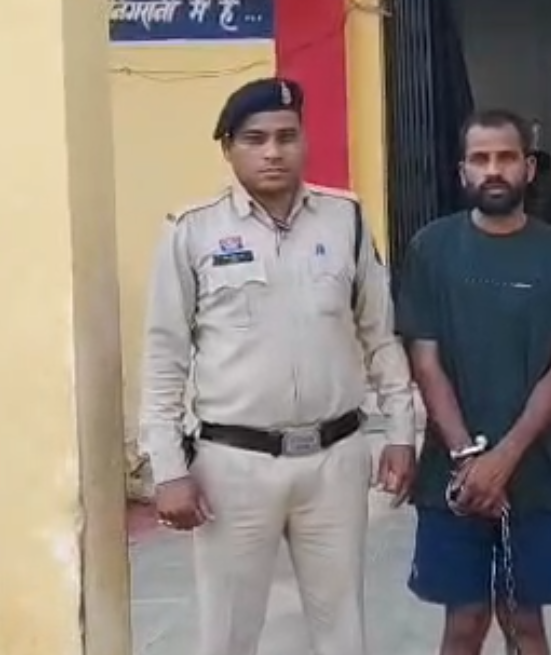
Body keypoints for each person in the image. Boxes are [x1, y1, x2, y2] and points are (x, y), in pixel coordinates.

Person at [138, 77, 418, 655]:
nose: (273, 152)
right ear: (228, 148)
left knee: (342, 629)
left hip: (335, 459)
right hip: (233, 465)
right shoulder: (192, 231)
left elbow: (379, 335)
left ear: (304, 141)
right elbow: (164, 356)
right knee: (229, 633)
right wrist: (167, 468)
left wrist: (400, 431)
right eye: (255, 139)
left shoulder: (345, 219)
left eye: (287, 137)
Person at [396, 108, 551, 655]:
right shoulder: (431, 248)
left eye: (506, 157)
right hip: (451, 475)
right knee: (464, 621)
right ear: (462, 170)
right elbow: (425, 361)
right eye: (480, 158)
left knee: (524, 621)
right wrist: (468, 458)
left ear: (528, 168)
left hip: (538, 473)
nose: (493, 169)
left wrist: (503, 460)